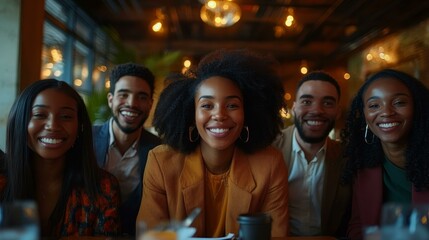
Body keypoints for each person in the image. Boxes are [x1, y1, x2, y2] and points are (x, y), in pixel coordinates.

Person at [137, 49, 289, 237]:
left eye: (232, 105)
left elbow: (275, 236)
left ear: (247, 114)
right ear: (191, 114)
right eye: (207, 105)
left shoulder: (270, 164)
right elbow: (151, 236)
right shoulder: (161, 162)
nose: (219, 115)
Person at [0, 79, 120, 238]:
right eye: (40, 115)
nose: (53, 125)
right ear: (20, 122)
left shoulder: (102, 187)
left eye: (66, 116)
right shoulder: (3, 179)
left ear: (80, 127)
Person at [341, 69, 429, 239]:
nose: (387, 112)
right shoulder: (363, 166)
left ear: (418, 108)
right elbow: (357, 226)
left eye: (399, 103)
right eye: (374, 105)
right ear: (365, 115)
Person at [272, 71, 351, 237]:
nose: (316, 110)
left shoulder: (348, 157)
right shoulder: (269, 148)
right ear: (294, 108)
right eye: (307, 101)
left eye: (327, 103)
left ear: (338, 111)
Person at [92, 62, 161, 236]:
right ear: (110, 99)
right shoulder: (85, 141)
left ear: (150, 105)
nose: (132, 103)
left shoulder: (160, 150)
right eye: (124, 95)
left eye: (142, 97)